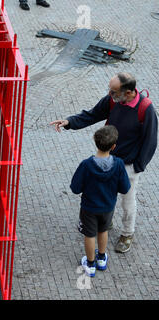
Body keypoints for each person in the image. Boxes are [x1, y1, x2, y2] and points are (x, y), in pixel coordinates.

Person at [50, 72, 158, 253]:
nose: (110, 94)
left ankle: (127, 233)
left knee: (127, 201)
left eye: (114, 91)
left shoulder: (145, 109)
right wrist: (69, 122)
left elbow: (151, 141)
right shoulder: (112, 100)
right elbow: (92, 115)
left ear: (129, 92)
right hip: (109, 159)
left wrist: (138, 167)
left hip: (128, 166)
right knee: (106, 195)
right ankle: (106, 222)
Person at [70, 125, 131, 277]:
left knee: (89, 234)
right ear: (114, 146)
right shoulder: (118, 164)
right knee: (103, 230)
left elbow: (75, 188)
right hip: (108, 207)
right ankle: (102, 258)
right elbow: (125, 188)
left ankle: (90, 264)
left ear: (95, 142)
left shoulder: (86, 165)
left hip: (89, 208)